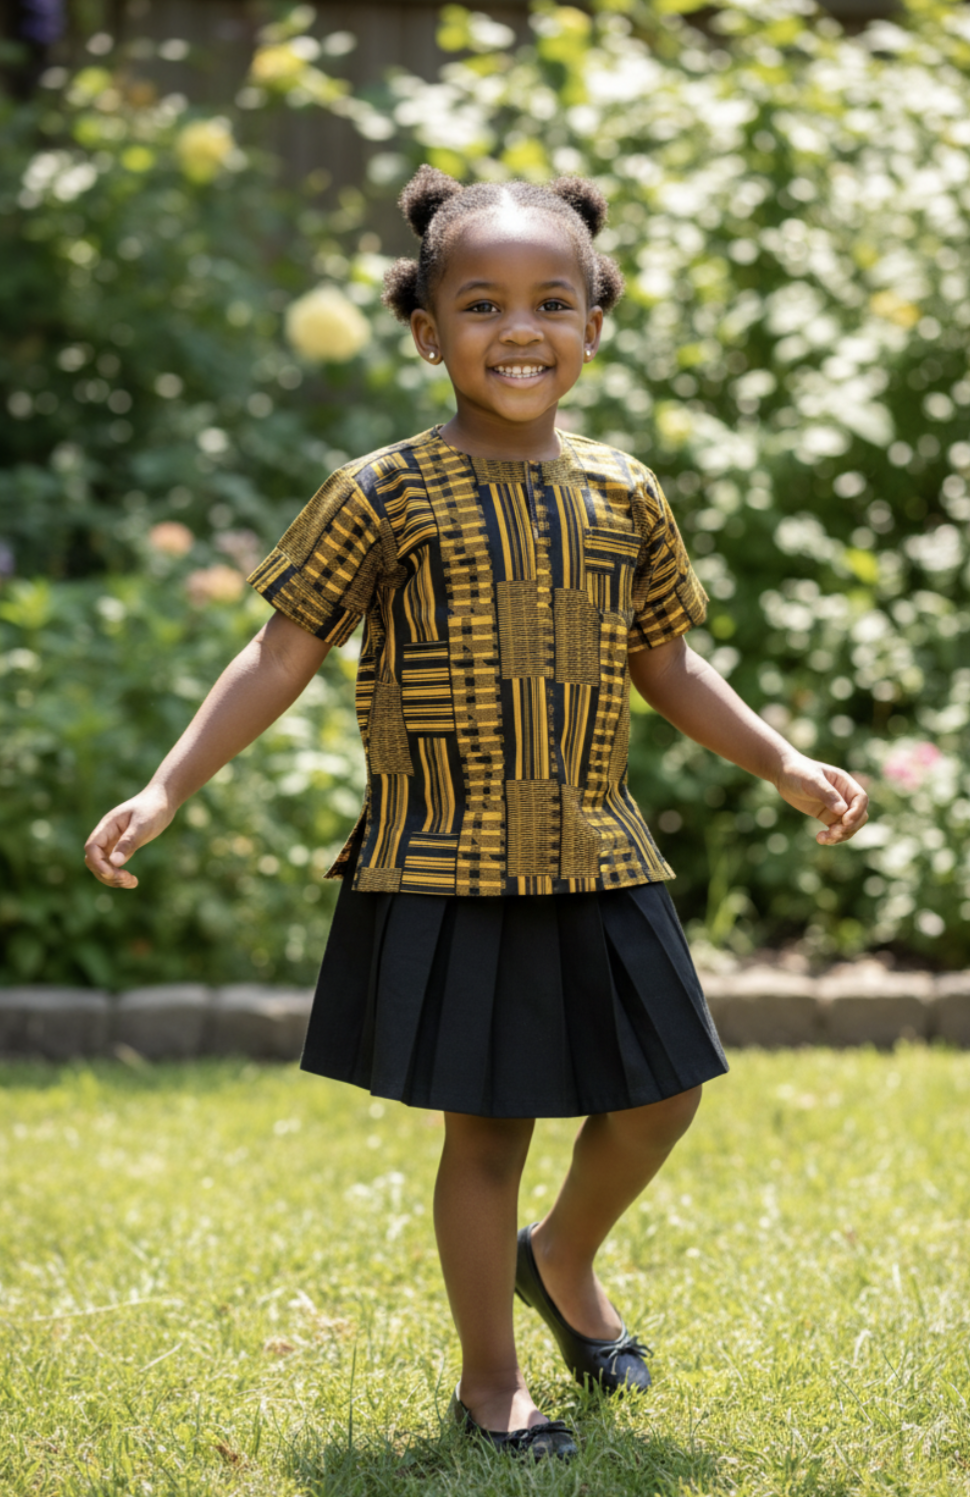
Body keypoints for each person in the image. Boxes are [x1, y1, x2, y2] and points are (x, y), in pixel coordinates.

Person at [85, 165, 869, 1462]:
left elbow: (664, 661)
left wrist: (780, 762)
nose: (520, 329)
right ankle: (491, 1382)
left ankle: (558, 1258)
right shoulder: (379, 491)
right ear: (426, 329)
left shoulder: (625, 495)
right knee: (488, 1125)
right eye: (483, 304)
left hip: (595, 843)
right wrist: (170, 783)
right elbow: (280, 653)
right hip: (447, 858)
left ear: (595, 324)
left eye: (551, 302)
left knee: (665, 1093)